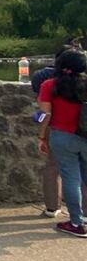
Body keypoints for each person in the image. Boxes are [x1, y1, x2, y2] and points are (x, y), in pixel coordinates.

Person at [38, 48, 87, 238]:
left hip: (62, 137)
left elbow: (44, 114)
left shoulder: (49, 85)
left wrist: (41, 136)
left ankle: (76, 222)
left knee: (71, 179)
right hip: (85, 135)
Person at [33, 45, 80, 218]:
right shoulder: (82, 81)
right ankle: (82, 215)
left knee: (53, 169)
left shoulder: (44, 80)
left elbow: (43, 112)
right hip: (82, 131)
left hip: (57, 130)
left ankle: (52, 207)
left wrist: (41, 135)